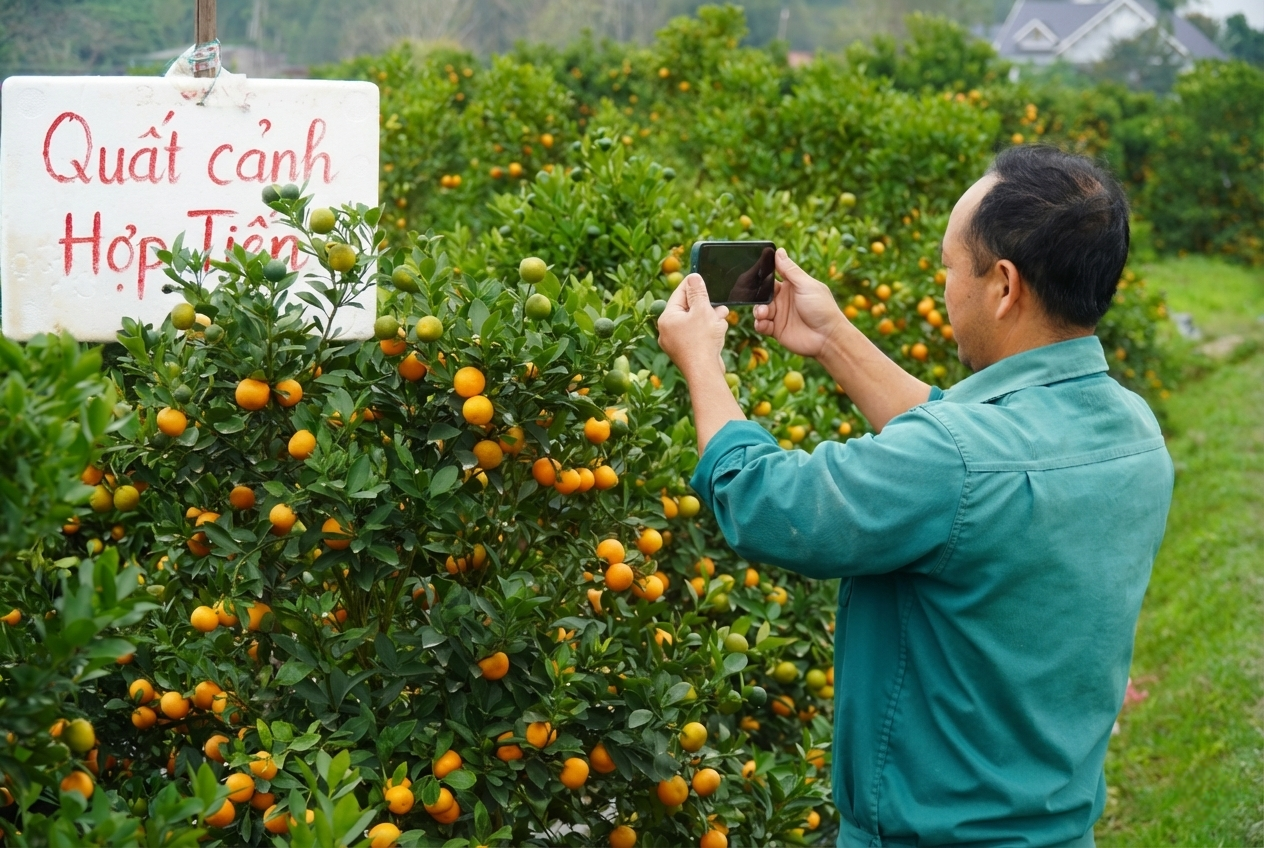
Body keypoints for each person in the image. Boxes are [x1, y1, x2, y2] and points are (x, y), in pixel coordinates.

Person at [655, 145, 1174, 846]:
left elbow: (768, 504)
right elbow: (963, 456)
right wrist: (833, 334)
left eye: (951, 267)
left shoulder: (956, 465)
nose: (943, 287)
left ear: (1004, 286)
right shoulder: (1133, 431)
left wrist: (701, 363)